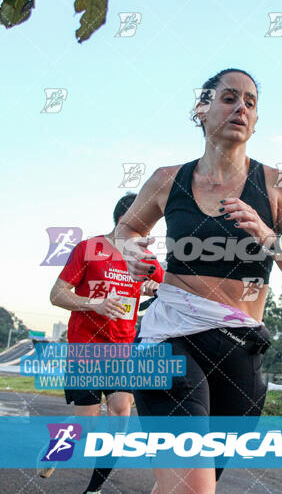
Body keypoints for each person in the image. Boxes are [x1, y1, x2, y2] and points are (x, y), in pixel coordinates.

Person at [115, 68, 282, 494]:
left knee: (185, 484)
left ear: (256, 120)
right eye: (228, 98)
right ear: (202, 110)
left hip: (240, 350)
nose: (240, 108)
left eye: (250, 102)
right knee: (194, 485)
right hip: (168, 338)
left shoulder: (278, 184)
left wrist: (268, 237)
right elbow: (127, 232)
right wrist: (133, 253)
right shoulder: (168, 180)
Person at [47, 193, 164, 494]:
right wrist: (94, 304)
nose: (149, 234)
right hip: (85, 347)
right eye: (145, 224)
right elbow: (57, 294)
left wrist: (155, 287)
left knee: (120, 414)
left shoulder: (146, 259)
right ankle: (59, 444)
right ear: (126, 221)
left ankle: (93, 490)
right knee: (87, 426)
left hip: (123, 351)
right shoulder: (89, 249)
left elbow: (171, 290)